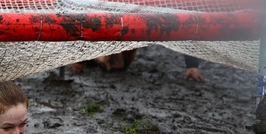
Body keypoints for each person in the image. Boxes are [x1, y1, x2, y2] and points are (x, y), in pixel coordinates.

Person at [70, 50, 206, 82]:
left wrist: (192, 65)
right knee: (117, 66)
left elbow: (187, 29)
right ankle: (92, 58)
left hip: (131, 33)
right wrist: (79, 61)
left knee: (121, 66)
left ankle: (95, 58)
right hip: (116, 30)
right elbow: (90, 27)